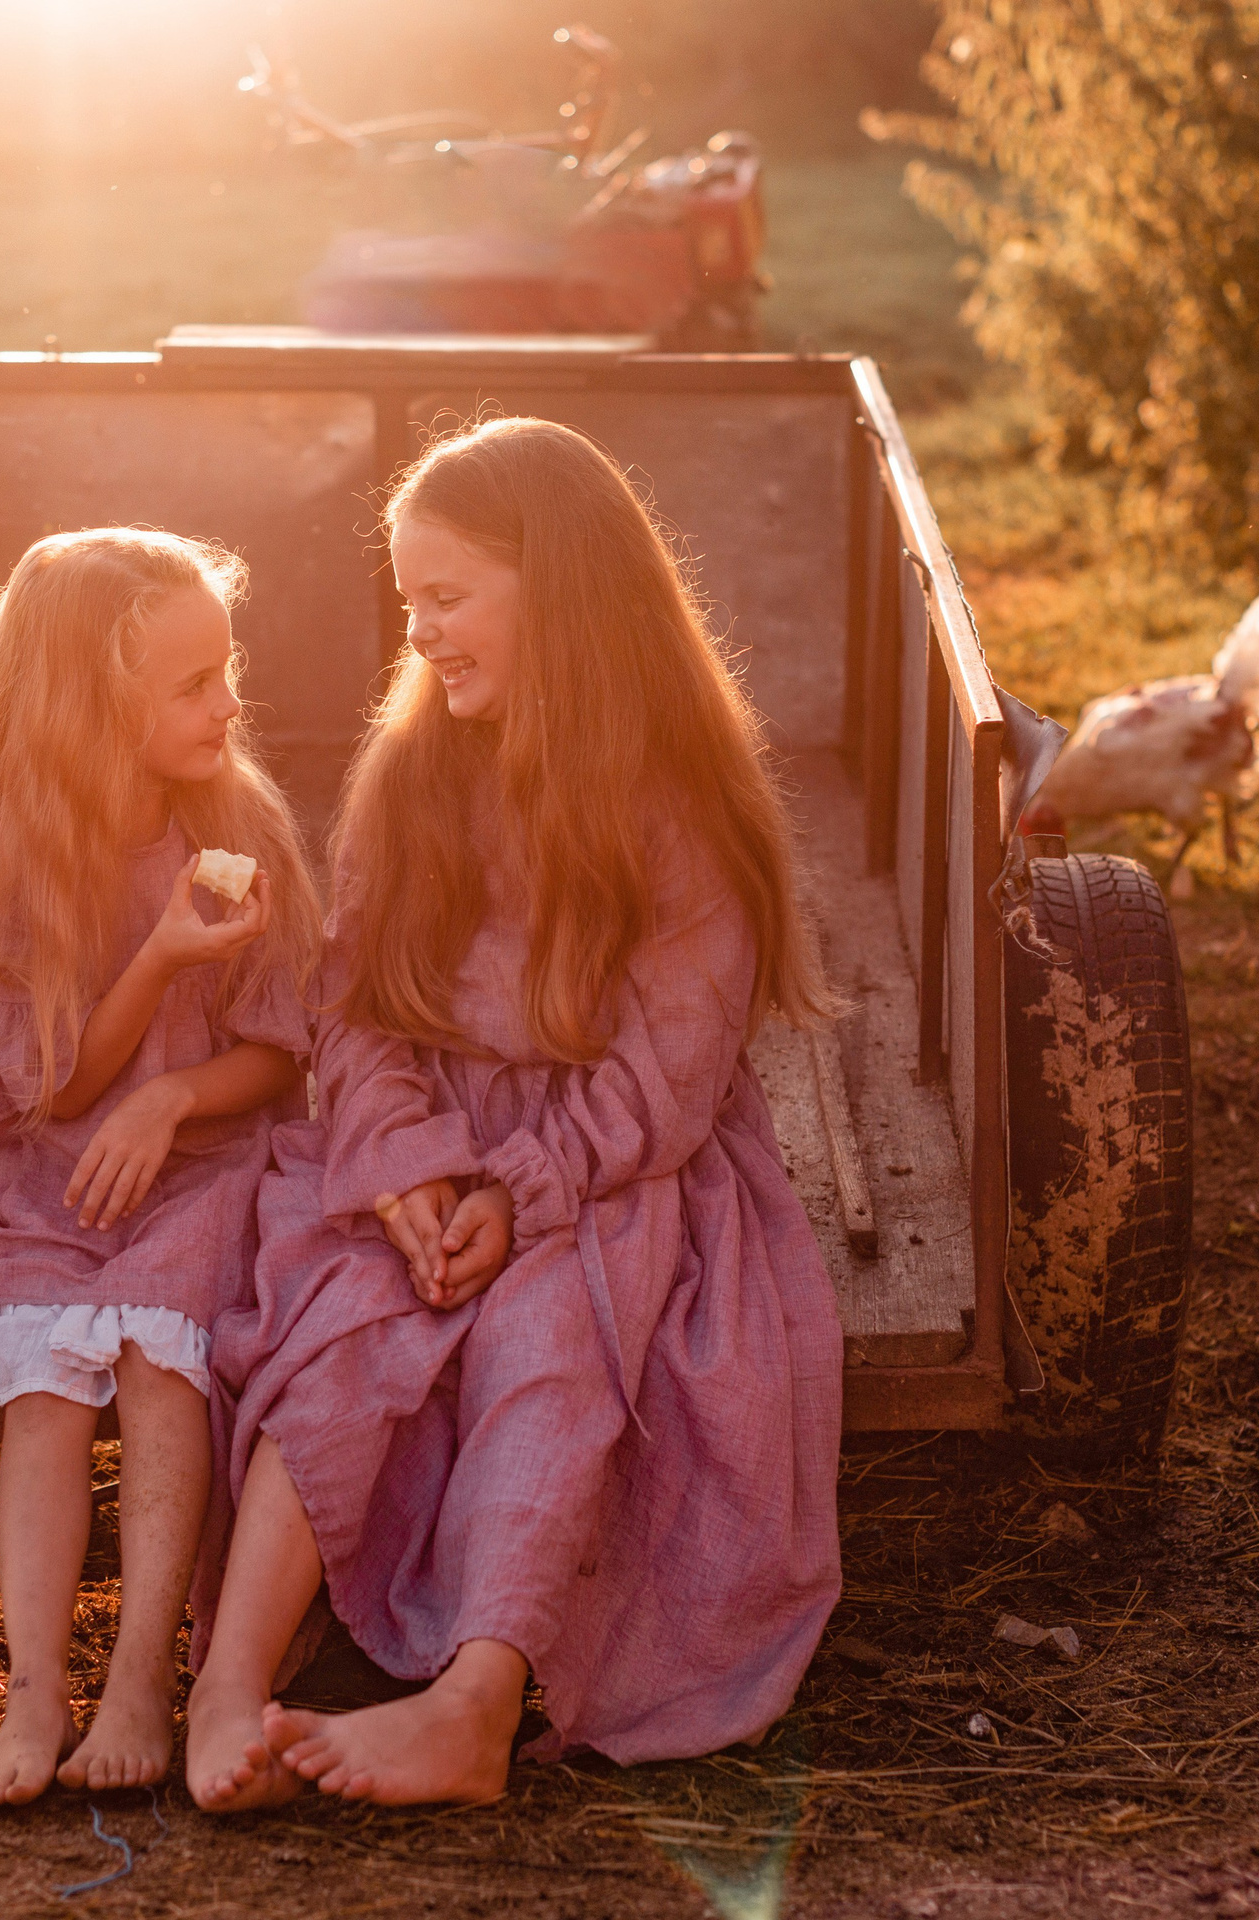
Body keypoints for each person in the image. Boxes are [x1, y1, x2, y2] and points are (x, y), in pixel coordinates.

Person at [184, 418, 844, 1811]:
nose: (419, 633)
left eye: (448, 597)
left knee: (558, 1335)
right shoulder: (416, 772)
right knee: (345, 1318)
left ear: (562, 591)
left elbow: (665, 1080)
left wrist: (513, 1196)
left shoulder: (679, 801)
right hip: (430, 1145)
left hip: (611, 1166)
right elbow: (353, 1006)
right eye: (408, 598)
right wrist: (410, 1167)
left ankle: (474, 1705)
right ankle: (228, 1688)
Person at [0, 528, 320, 1807]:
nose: (228, 704)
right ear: (92, 708)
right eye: (191, 685)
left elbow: (282, 1053)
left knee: (167, 1362)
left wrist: (174, 1093)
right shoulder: (3, 852)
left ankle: (139, 1681)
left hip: (206, 1166)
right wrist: (159, 957)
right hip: (44, 1164)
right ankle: (33, 1686)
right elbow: (39, 1086)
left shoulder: (238, 823)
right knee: (48, 1392)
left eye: (227, 670)